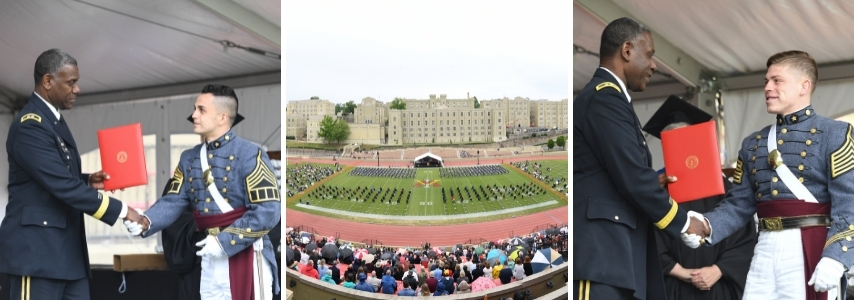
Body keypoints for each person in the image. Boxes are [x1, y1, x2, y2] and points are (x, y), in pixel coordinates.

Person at [685, 50, 854, 300]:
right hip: (764, 247)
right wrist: (706, 226)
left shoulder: (836, 134)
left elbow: (849, 204)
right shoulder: (753, 143)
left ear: (803, 86)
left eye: (777, 80)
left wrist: (836, 257)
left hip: (810, 247)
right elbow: (739, 203)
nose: (767, 87)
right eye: (766, 81)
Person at [0, 48, 143, 299]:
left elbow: (55, 174)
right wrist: (123, 210)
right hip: (37, 255)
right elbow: (62, 185)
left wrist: (88, 180)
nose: (77, 89)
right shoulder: (31, 124)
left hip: (66, 256)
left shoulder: (51, 119)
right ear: (47, 82)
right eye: (71, 83)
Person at [573, 17, 700, 300]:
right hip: (601, 256)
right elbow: (632, 176)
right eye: (650, 54)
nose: (654, 65)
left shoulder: (613, 98)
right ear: (627, 50)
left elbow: (613, 171)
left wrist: (652, 182)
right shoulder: (605, 98)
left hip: (616, 256)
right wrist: (683, 222)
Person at [124, 84, 280, 300]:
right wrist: (146, 220)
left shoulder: (251, 154)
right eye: (195, 108)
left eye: (201, 109)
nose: (194, 115)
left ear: (222, 117)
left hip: (247, 255)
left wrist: (224, 242)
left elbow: (268, 211)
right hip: (208, 255)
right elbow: (172, 201)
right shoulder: (189, 158)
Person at [643, 97, 758, 299]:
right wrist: (683, 273)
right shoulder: (656, 191)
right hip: (673, 288)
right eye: (673, 140)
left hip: (719, 286)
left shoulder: (726, 189)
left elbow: (745, 239)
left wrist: (718, 269)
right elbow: (648, 240)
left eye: (686, 138)